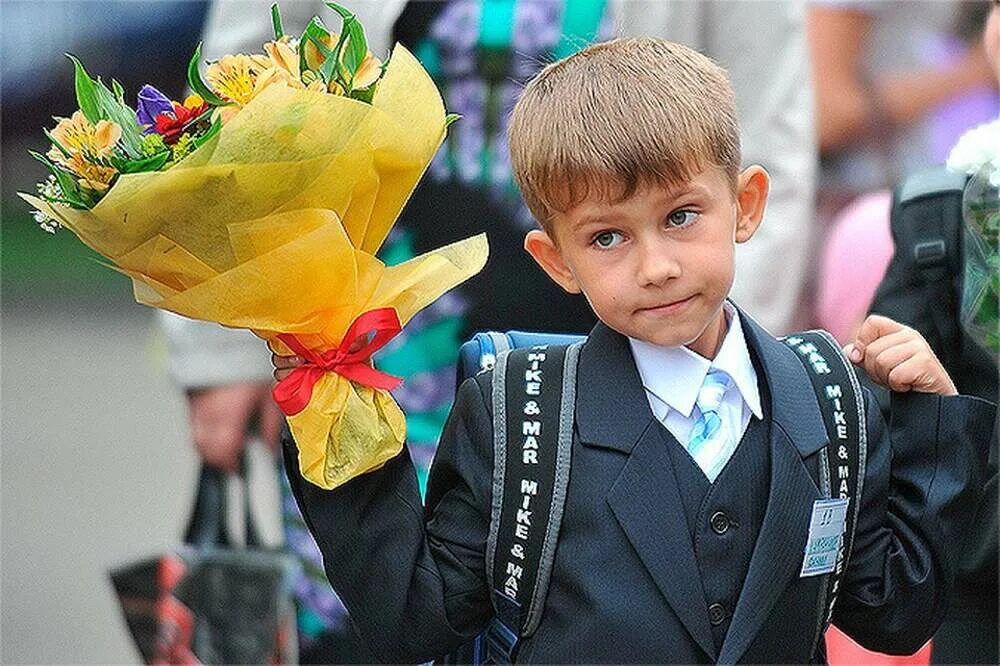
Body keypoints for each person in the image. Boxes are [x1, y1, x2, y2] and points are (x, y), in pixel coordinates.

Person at [272, 38, 995, 662]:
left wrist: (932, 422)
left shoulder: (830, 399)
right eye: (607, 237)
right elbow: (415, 620)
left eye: (681, 216)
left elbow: (896, 614)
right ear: (555, 261)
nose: (655, 266)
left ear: (745, 206)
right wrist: (331, 411)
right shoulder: (517, 414)